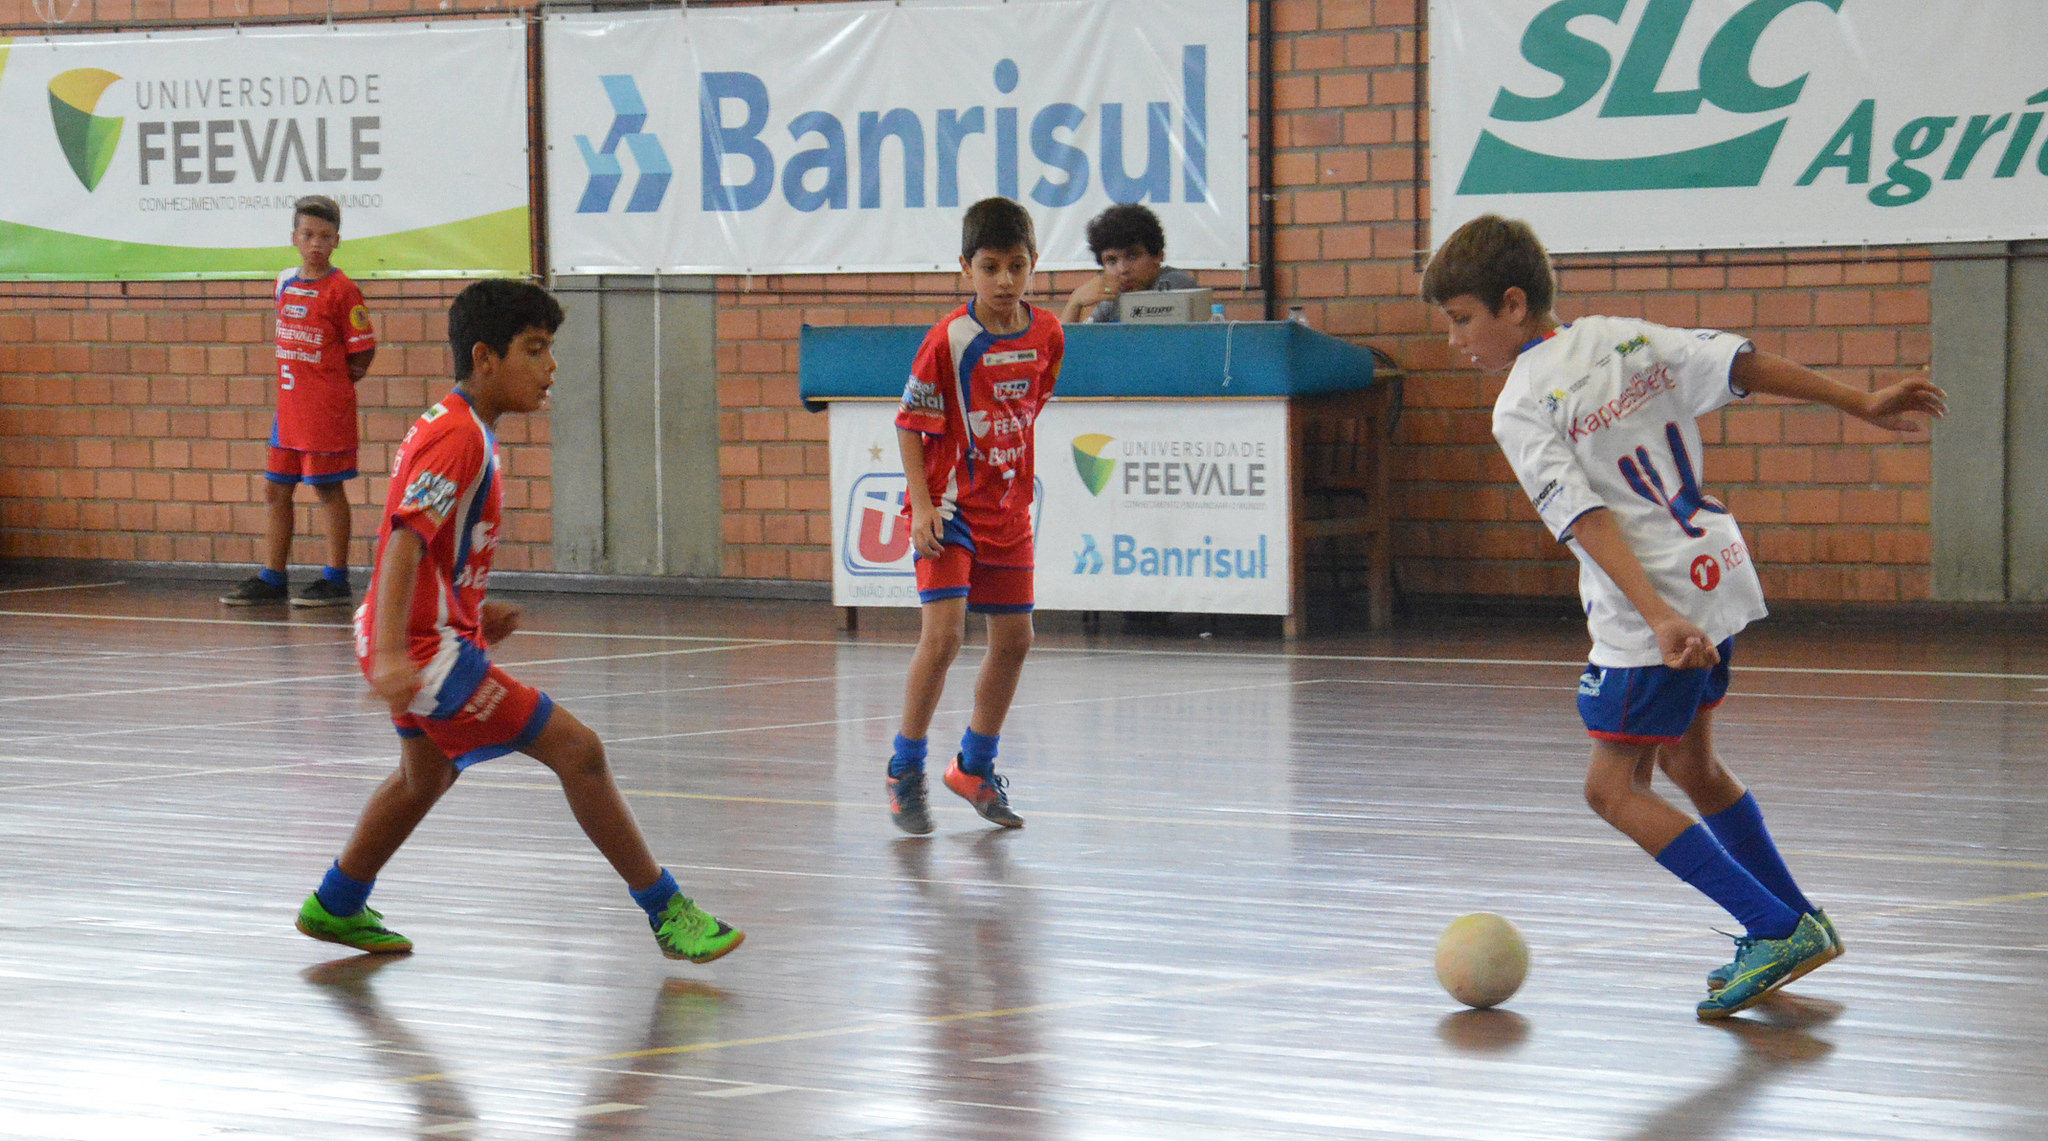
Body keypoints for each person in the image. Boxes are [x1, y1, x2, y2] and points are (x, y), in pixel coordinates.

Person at [1421, 214, 1945, 1019]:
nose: (1456, 340)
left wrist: (1657, 617)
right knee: (1689, 763)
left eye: (1462, 319)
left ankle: (1771, 926)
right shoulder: (1621, 338)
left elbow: (1585, 516)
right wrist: (1860, 401)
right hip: (1718, 568)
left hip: (1653, 606)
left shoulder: (1521, 402)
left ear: (1514, 304)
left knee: (1610, 787)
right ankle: (1800, 919)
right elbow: (1741, 362)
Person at [293, 279, 742, 965]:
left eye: (551, 349)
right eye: (535, 349)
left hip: (428, 635)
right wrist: (391, 653)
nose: (550, 366)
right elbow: (405, 541)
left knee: (425, 775)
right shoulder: (460, 440)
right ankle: (666, 910)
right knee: (579, 750)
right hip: (423, 650)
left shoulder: (458, 425)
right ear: (485, 357)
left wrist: (470, 608)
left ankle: (338, 900)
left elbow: (426, 544)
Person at [886, 197, 1065, 834]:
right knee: (943, 639)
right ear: (966, 268)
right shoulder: (948, 341)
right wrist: (924, 504)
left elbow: (1029, 407)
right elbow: (911, 424)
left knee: (1016, 641)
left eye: (1016, 266)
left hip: (1009, 509)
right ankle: (904, 768)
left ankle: (973, 766)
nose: (1004, 281)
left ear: (1033, 265)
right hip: (951, 509)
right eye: (990, 267)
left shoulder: (1048, 334)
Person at [222, 196, 377, 608]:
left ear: (337, 241)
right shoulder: (284, 282)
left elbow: (362, 351)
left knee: (327, 490)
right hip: (287, 412)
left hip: (324, 413)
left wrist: (331, 386)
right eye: (308, 235)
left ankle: (336, 578)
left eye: (325, 237)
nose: (315, 244)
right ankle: (273, 577)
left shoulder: (343, 290)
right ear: (294, 237)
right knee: (275, 490)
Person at [1061, 202, 1199, 324]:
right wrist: (1075, 303)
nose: (1122, 269)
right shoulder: (1113, 301)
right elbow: (1060, 351)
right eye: (1112, 261)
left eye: (1133, 256)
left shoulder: (1176, 284)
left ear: (1158, 256)